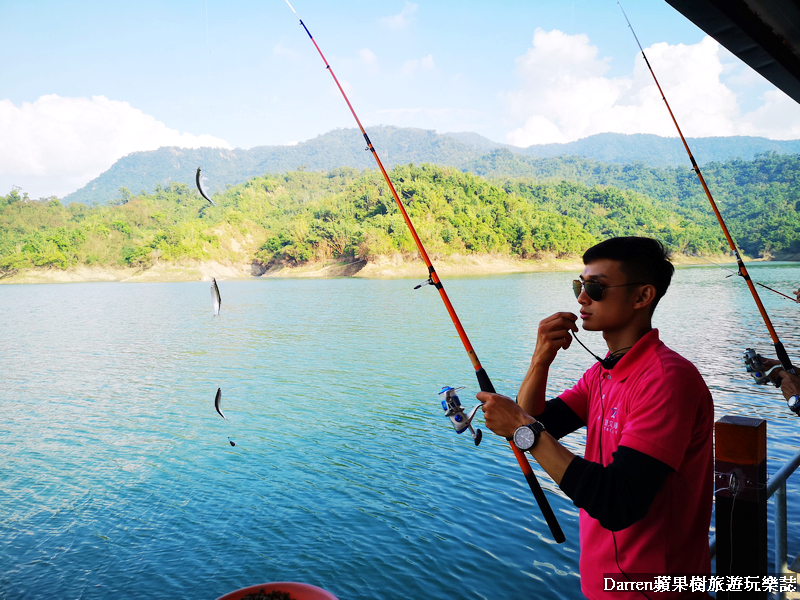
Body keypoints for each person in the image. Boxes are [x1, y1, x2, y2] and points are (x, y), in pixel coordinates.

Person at [479, 237, 714, 600]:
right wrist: (541, 357)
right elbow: (539, 423)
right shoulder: (603, 374)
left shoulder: (667, 379)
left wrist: (524, 429)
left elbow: (618, 503)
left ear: (642, 297)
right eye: (579, 285)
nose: (581, 299)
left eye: (595, 288)